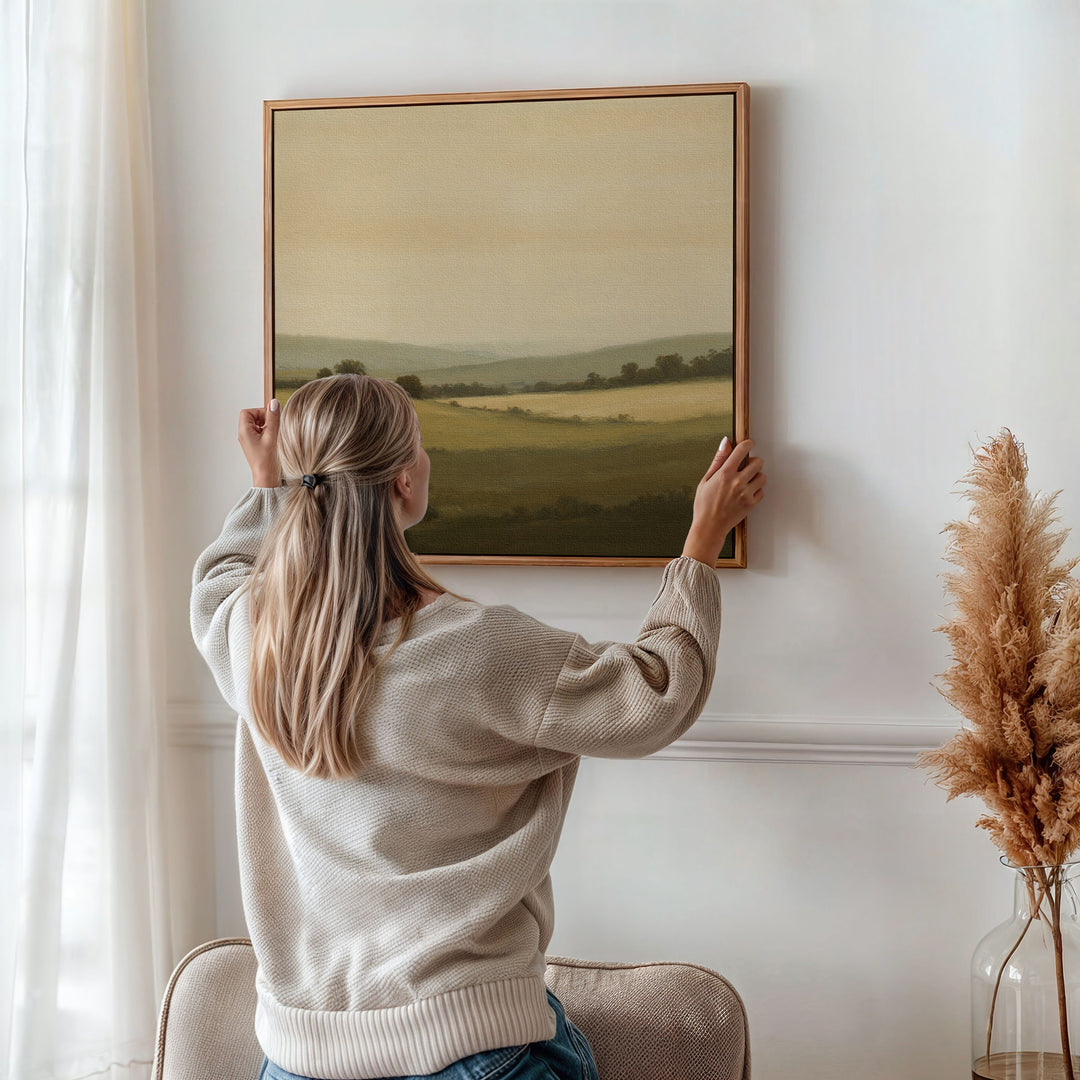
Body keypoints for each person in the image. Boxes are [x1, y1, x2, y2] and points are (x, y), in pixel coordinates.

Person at [190, 373, 766, 1080]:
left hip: (297, 1061)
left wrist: (266, 485)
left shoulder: (254, 640)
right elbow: (655, 692)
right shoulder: (477, 649)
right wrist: (701, 540)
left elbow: (218, 578)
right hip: (469, 1051)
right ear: (404, 481)